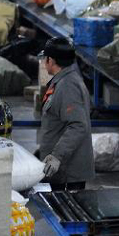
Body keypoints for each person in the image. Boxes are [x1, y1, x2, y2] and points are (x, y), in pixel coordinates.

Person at [38, 37, 94, 191]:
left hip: (67, 174)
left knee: (67, 214)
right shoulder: (63, 81)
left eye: (45, 58)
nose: (44, 62)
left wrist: (57, 156)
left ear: (51, 60)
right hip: (60, 170)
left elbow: (78, 125)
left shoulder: (68, 86)